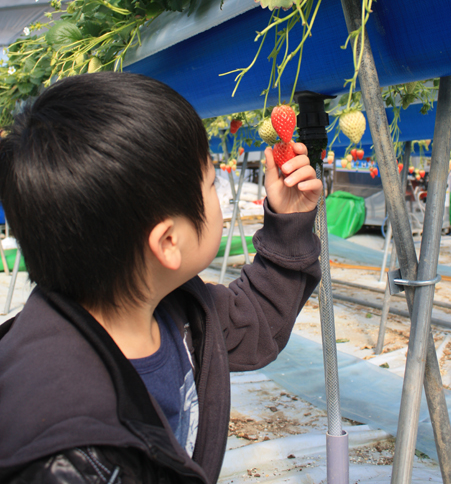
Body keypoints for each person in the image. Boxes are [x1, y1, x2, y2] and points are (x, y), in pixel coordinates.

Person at [0, 72, 322, 484]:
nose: (220, 197)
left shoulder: (181, 313)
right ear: (169, 241)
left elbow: (257, 320)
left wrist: (289, 221)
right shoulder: (68, 458)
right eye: (211, 184)